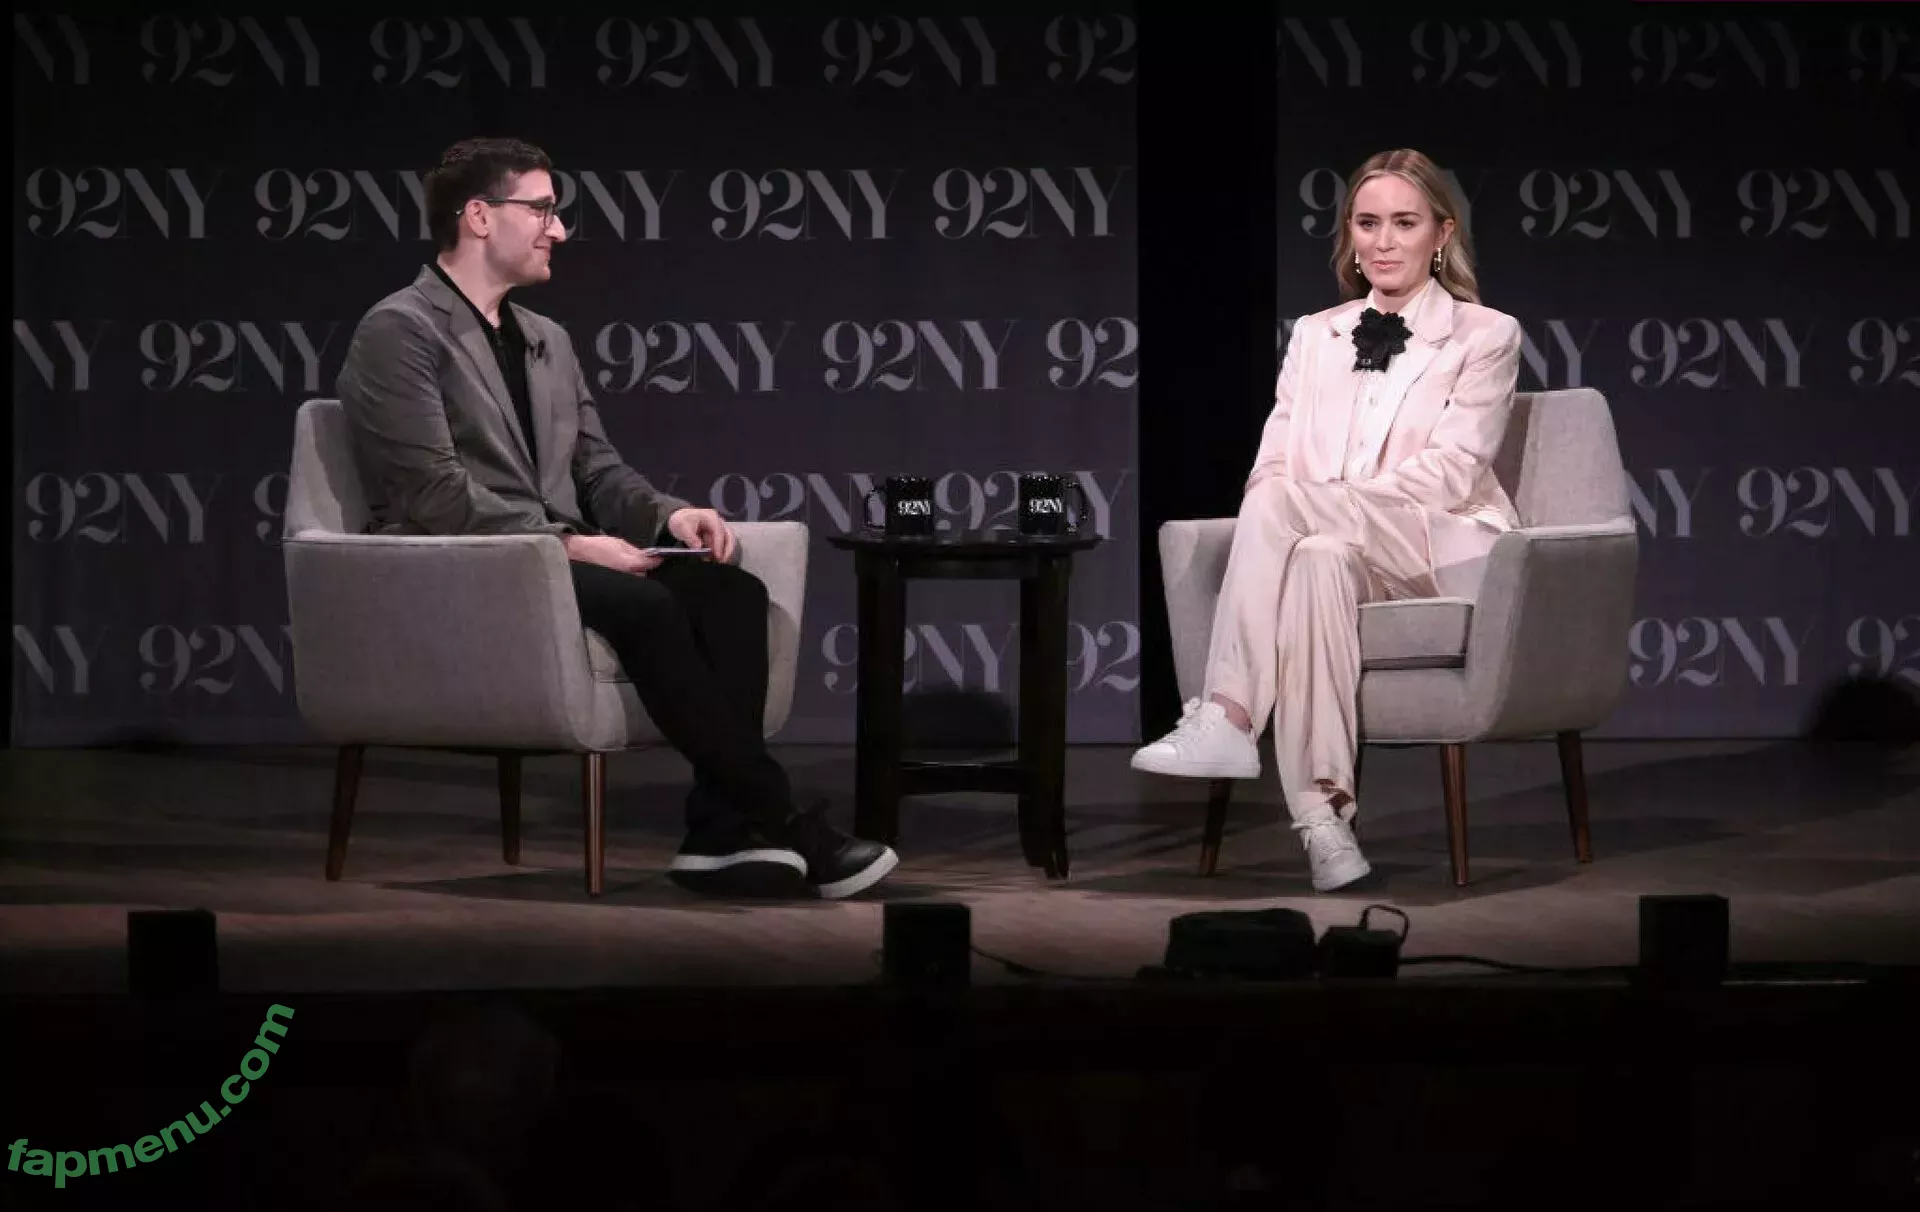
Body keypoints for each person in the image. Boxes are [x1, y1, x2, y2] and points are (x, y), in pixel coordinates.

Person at [335, 137, 897, 900]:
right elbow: (431, 493)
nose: (559, 229)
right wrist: (568, 545)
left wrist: (672, 516)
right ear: (478, 216)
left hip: (554, 555)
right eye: (542, 209)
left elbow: (596, 470)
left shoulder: (548, 340)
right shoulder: (400, 330)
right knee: (646, 604)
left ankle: (717, 835)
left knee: (732, 593)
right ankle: (789, 822)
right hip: (471, 566)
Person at [1132, 148, 1524, 893]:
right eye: (1367, 223)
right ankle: (1324, 825)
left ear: (1441, 234)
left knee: (1287, 508)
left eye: (1404, 223)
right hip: (1336, 545)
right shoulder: (1318, 334)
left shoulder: (1486, 333)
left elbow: (1453, 471)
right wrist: (1324, 517)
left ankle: (1229, 714)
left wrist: (1340, 503)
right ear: (1350, 234)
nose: (1384, 241)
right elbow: (1274, 461)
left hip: (1435, 542)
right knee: (1313, 555)